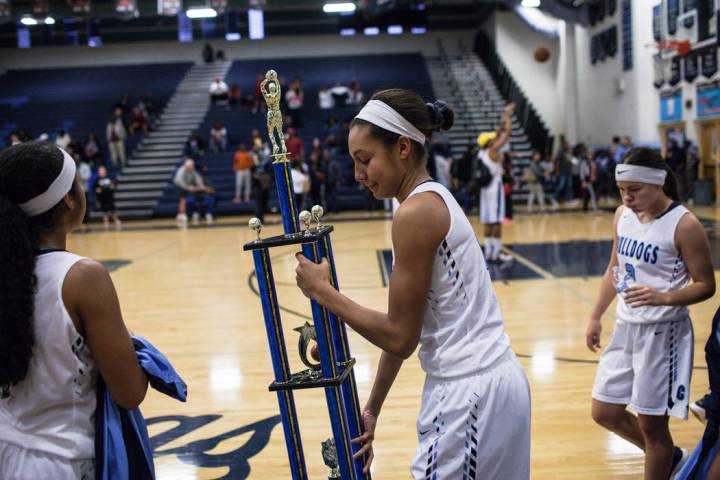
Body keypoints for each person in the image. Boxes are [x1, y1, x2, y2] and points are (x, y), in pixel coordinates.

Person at [294, 89, 531, 478]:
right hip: (495, 383)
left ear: (402, 147)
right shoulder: (431, 199)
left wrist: (324, 293)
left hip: (468, 394)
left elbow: (400, 336)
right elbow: (407, 325)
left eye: (365, 160)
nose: (358, 174)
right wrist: (372, 409)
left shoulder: (416, 213)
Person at [0, 142, 147, 478]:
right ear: (68, 198)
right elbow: (129, 392)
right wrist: (129, 345)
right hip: (59, 462)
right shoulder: (82, 277)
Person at [585, 147, 715, 480]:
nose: (626, 198)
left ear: (657, 184)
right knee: (604, 411)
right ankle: (670, 458)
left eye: (634, 190)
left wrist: (663, 297)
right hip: (626, 327)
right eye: (622, 191)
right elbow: (614, 267)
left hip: (663, 334)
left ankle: (662, 457)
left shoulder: (685, 225)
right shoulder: (622, 216)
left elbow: (705, 285)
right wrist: (596, 315)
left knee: (651, 425)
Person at [478, 102, 516, 262]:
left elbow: (501, 134)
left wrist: (499, 129)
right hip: (494, 187)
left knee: (487, 220)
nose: (496, 141)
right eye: (493, 140)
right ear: (489, 143)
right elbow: (508, 133)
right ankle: (496, 253)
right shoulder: (493, 151)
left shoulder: (482, 153)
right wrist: (506, 114)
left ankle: (488, 252)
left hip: (485, 189)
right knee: (497, 220)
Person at [173, 158, 205, 227]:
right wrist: (188, 188)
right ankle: (182, 215)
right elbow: (179, 181)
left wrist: (201, 185)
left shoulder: (193, 170)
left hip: (187, 185)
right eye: (191, 166)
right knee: (183, 199)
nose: (192, 167)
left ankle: (180, 215)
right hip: (179, 185)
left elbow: (197, 178)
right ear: (187, 166)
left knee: (192, 196)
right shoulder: (181, 170)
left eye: (193, 165)